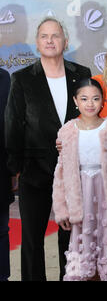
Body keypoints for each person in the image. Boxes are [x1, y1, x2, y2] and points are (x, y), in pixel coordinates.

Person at [4, 17, 91, 281]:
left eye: (56, 35)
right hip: (34, 170)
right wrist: (15, 168)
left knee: (71, 239)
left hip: (74, 171)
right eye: (44, 36)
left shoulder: (82, 74)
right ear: (37, 43)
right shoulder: (21, 79)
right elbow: (13, 123)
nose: (50, 40)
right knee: (32, 240)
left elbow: (91, 116)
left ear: (65, 41)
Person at [52, 78, 107, 281]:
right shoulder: (67, 131)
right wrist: (61, 209)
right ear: (75, 101)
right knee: (83, 242)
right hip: (81, 195)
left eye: (95, 98)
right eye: (84, 99)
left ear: (103, 100)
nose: (90, 104)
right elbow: (61, 174)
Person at [0, 67, 14, 281]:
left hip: (0, 168)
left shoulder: (4, 78)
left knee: (1, 230)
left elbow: (9, 124)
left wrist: (13, 167)